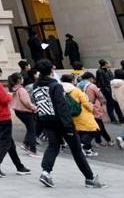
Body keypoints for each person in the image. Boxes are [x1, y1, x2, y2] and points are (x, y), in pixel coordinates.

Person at [33, 59, 108, 188]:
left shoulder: (36, 86)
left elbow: (39, 105)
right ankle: (90, 179)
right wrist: (69, 126)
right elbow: (62, 107)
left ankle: (45, 173)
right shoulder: (55, 86)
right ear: (51, 70)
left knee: (53, 146)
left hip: (46, 121)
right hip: (61, 122)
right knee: (77, 150)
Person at [0, 63, 30, 177]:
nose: (0, 76)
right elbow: (4, 100)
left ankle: (20, 167)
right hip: (2, 115)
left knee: (9, 142)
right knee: (6, 142)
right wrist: (10, 95)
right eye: (0, 74)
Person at [9, 72, 39, 156]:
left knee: (30, 129)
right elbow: (27, 102)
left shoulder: (14, 89)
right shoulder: (22, 90)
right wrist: (34, 108)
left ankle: (26, 144)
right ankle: (33, 150)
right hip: (26, 112)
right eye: (21, 78)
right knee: (32, 130)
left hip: (19, 111)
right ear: (19, 80)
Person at [79, 72, 112, 147]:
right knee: (98, 125)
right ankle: (98, 141)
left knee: (95, 125)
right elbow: (99, 95)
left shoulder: (79, 85)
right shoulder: (91, 86)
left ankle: (108, 139)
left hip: (84, 107)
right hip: (94, 107)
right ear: (90, 78)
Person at [97, 60, 123, 124]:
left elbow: (112, 78)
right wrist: (107, 90)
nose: (110, 64)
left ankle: (121, 118)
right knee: (110, 105)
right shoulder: (99, 71)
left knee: (117, 105)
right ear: (105, 64)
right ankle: (113, 119)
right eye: (108, 63)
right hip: (108, 90)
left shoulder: (108, 70)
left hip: (113, 88)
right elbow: (101, 82)